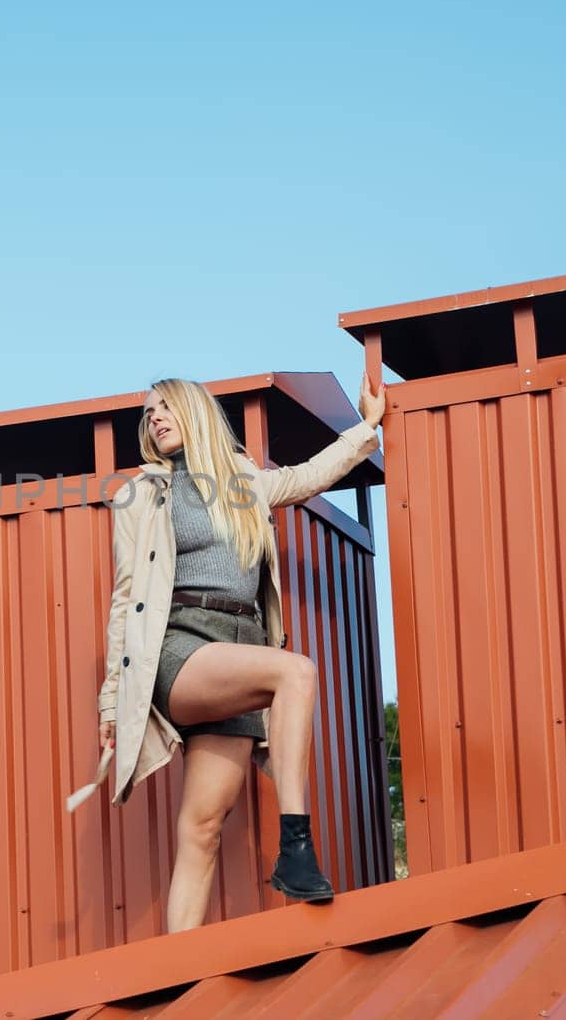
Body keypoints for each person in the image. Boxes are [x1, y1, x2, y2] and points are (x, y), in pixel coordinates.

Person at [85, 375, 384, 933]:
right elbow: (126, 597)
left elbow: (304, 478)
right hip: (182, 644)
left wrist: (367, 427)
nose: (155, 418)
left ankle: (178, 975)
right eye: (149, 413)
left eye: (166, 407)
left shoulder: (243, 480)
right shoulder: (143, 492)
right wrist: (111, 703)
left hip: (240, 643)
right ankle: (296, 844)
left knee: (202, 827)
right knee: (295, 672)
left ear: (195, 412)